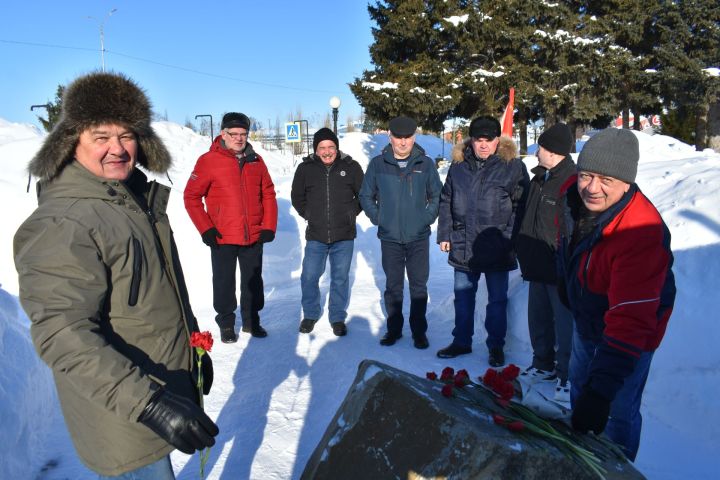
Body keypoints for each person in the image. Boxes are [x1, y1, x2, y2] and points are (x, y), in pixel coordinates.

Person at [13, 72, 219, 479]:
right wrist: (149, 403)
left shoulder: (128, 199)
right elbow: (62, 334)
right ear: (71, 140)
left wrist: (191, 348)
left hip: (155, 389)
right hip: (124, 416)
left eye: (126, 136)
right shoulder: (64, 220)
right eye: (100, 137)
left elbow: (154, 293)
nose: (117, 149)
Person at [558, 128, 676, 460]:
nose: (592, 188)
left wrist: (601, 392)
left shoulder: (640, 232)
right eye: (586, 175)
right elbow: (567, 246)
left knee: (614, 409)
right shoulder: (573, 197)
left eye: (606, 179)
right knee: (580, 391)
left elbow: (631, 320)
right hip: (588, 320)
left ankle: (616, 466)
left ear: (627, 182)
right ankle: (580, 459)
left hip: (628, 340)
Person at [436, 116, 529, 367]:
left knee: (497, 300)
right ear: (472, 140)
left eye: (489, 140)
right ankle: (461, 341)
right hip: (464, 243)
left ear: (498, 140)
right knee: (463, 296)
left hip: (497, 246)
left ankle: (496, 346)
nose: (484, 145)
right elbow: (446, 200)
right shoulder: (458, 166)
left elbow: (522, 205)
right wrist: (444, 234)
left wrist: (509, 238)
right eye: (479, 140)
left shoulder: (513, 167)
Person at [185, 112, 278, 343]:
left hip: (253, 235)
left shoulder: (256, 160)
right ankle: (227, 323)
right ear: (223, 134)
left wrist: (268, 226)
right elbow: (191, 196)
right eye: (233, 134)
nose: (239, 138)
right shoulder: (208, 161)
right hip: (222, 236)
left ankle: (251, 320)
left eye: (243, 134)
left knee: (253, 281)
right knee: (224, 282)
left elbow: (268, 193)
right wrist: (206, 228)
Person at [359, 116, 443, 349]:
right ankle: (393, 329)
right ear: (390, 136)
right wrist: (380, 218)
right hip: (390, 238)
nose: (403, 142)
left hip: (418, 237)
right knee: (393, 286)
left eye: (408, 137)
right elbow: (366, 196)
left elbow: (437, 195)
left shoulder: (425, 164)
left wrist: (425, 219)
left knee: (419, 286)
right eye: (399, 137)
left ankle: (419, 331)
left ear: (414, 137)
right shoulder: (378, 164)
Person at [515, 123, 577, 402]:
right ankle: (542, 363)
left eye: (540, 147)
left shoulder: (572, 182)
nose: (537, 151)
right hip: (535, 261)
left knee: (565, 325)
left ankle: (567, 373)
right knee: (538, 318)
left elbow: (574, 227)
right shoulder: (539, 178)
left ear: (553, 152)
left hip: (558, 266)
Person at [291, 128, 364, 336]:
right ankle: (311, 314)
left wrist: (352, 213)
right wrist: (309, 214)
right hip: (316, 234)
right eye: (322, 147)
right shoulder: (306, 169)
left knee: (340, 278)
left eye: (331, 146)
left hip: (344, 235)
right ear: (316, 150)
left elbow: (364, 194)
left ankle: (337, 317)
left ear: (337, 147)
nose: (327, 151)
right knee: (309, 276)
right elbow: (297, 196)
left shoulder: (351, 167)